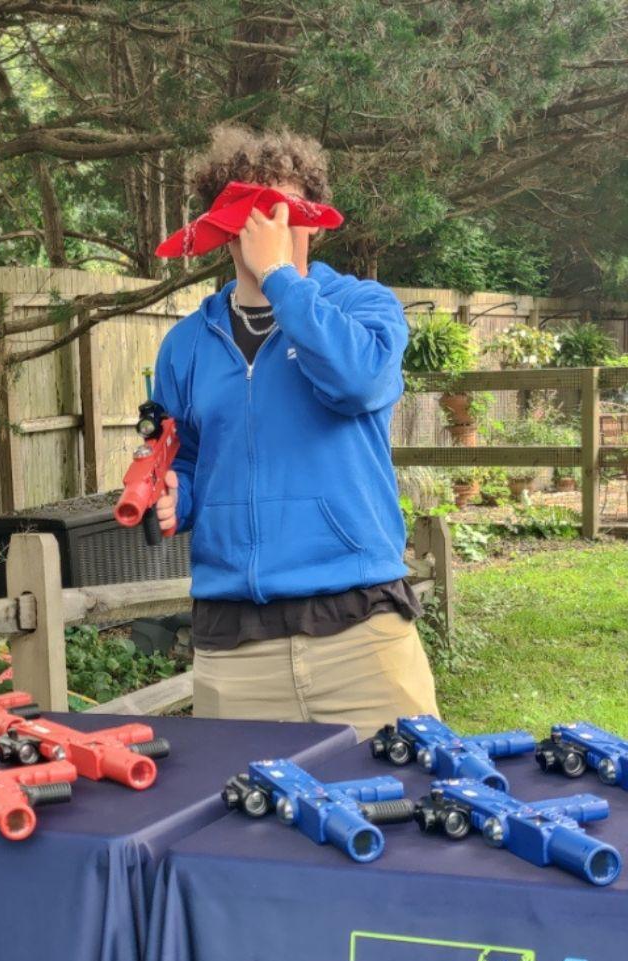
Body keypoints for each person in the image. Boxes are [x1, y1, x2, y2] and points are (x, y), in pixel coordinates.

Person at [150, 125, 438, 740]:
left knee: (412, 815)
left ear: (314, 221)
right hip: (235, 649)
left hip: (361, 633)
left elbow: (358, 381)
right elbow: (191, 456)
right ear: (224, 224)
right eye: (249, 212)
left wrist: (282, 279)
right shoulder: (184, 347)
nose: (266, 227)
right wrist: (178, 490)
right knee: (240, 836)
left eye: (280, 212)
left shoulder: (366, 307)